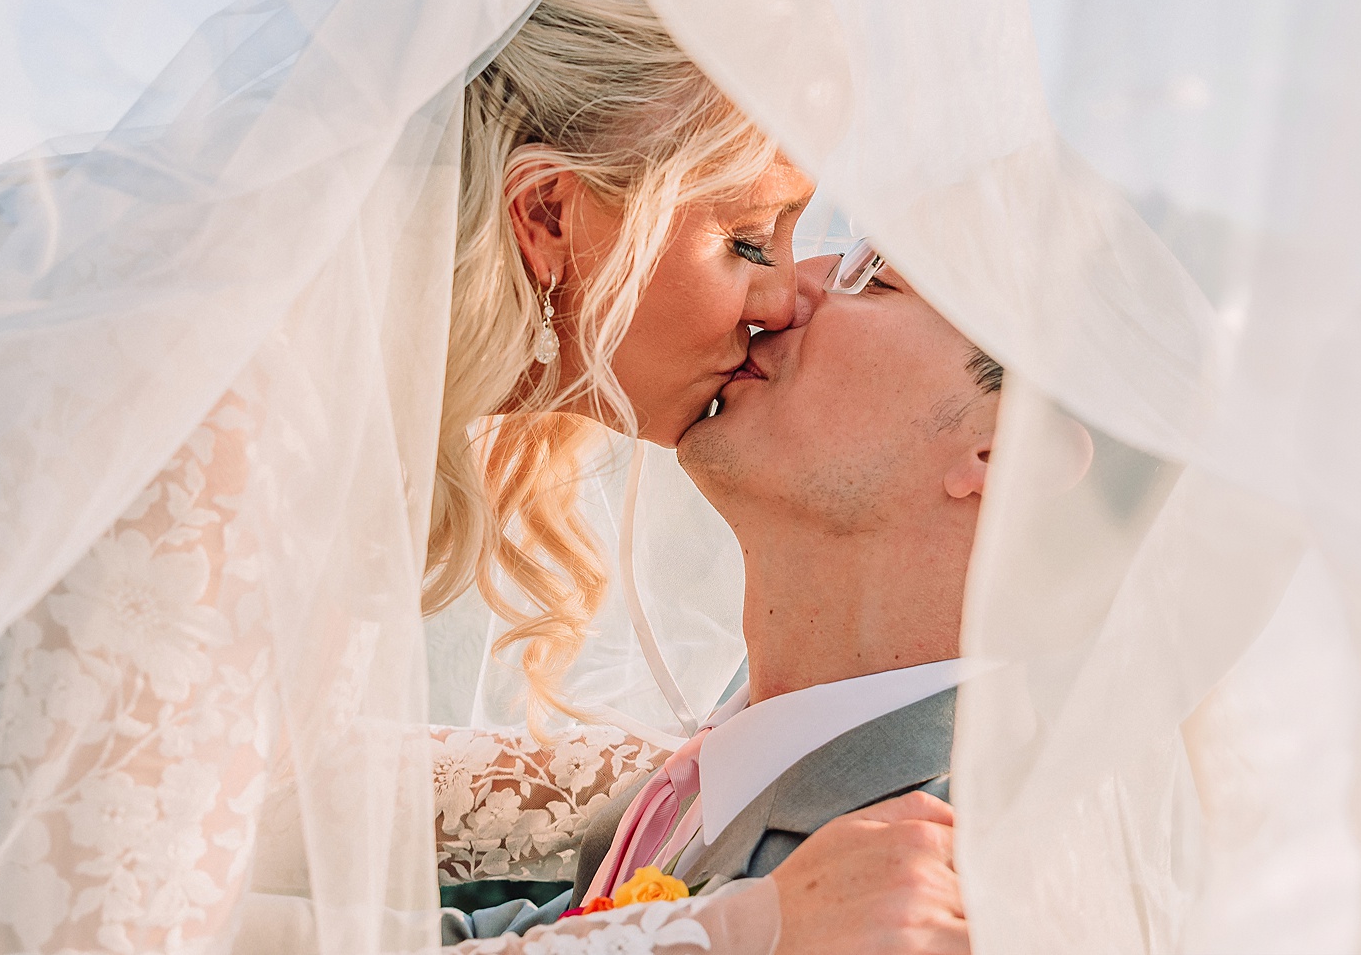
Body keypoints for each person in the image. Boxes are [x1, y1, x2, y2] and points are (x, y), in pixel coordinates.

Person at [0, 0, 959, 954]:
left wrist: (680, 781)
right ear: (549, 217)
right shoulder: (212, 413)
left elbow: (177, 775)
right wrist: (722, 935)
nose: (787, 295)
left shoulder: (224, 304)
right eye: (744, 238)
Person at [439, 242, 1095, 950]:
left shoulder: (960, 890)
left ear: (1011, 451)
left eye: (875, 278)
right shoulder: (707, 782)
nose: (781, 295)